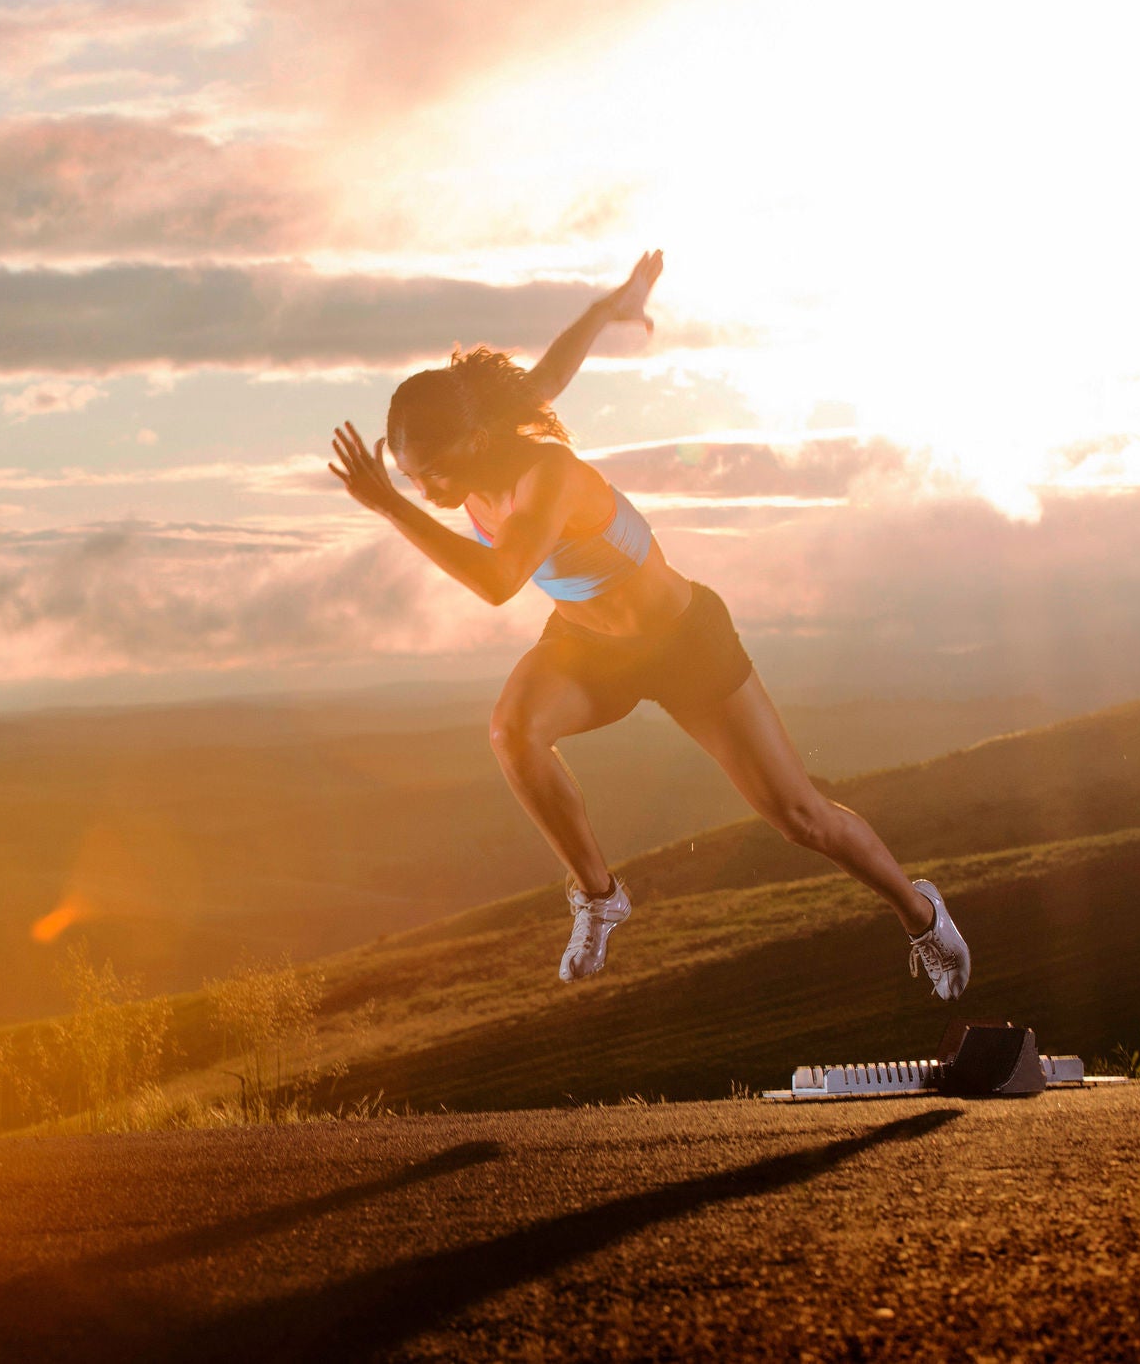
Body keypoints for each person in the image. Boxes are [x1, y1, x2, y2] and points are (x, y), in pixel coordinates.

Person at [326, 250, 970, 997]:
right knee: (511, 731)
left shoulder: (547, 476)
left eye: (430, 472)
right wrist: (611, 306)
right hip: (589, 646)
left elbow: (500, 582)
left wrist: (388, 506)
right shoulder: (480, 433)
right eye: (407, 475)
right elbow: (553, 372)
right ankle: (600, 898)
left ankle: (923, 917)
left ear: (471, 441)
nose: (424, 489)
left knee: (802, 817)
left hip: (683, 643)